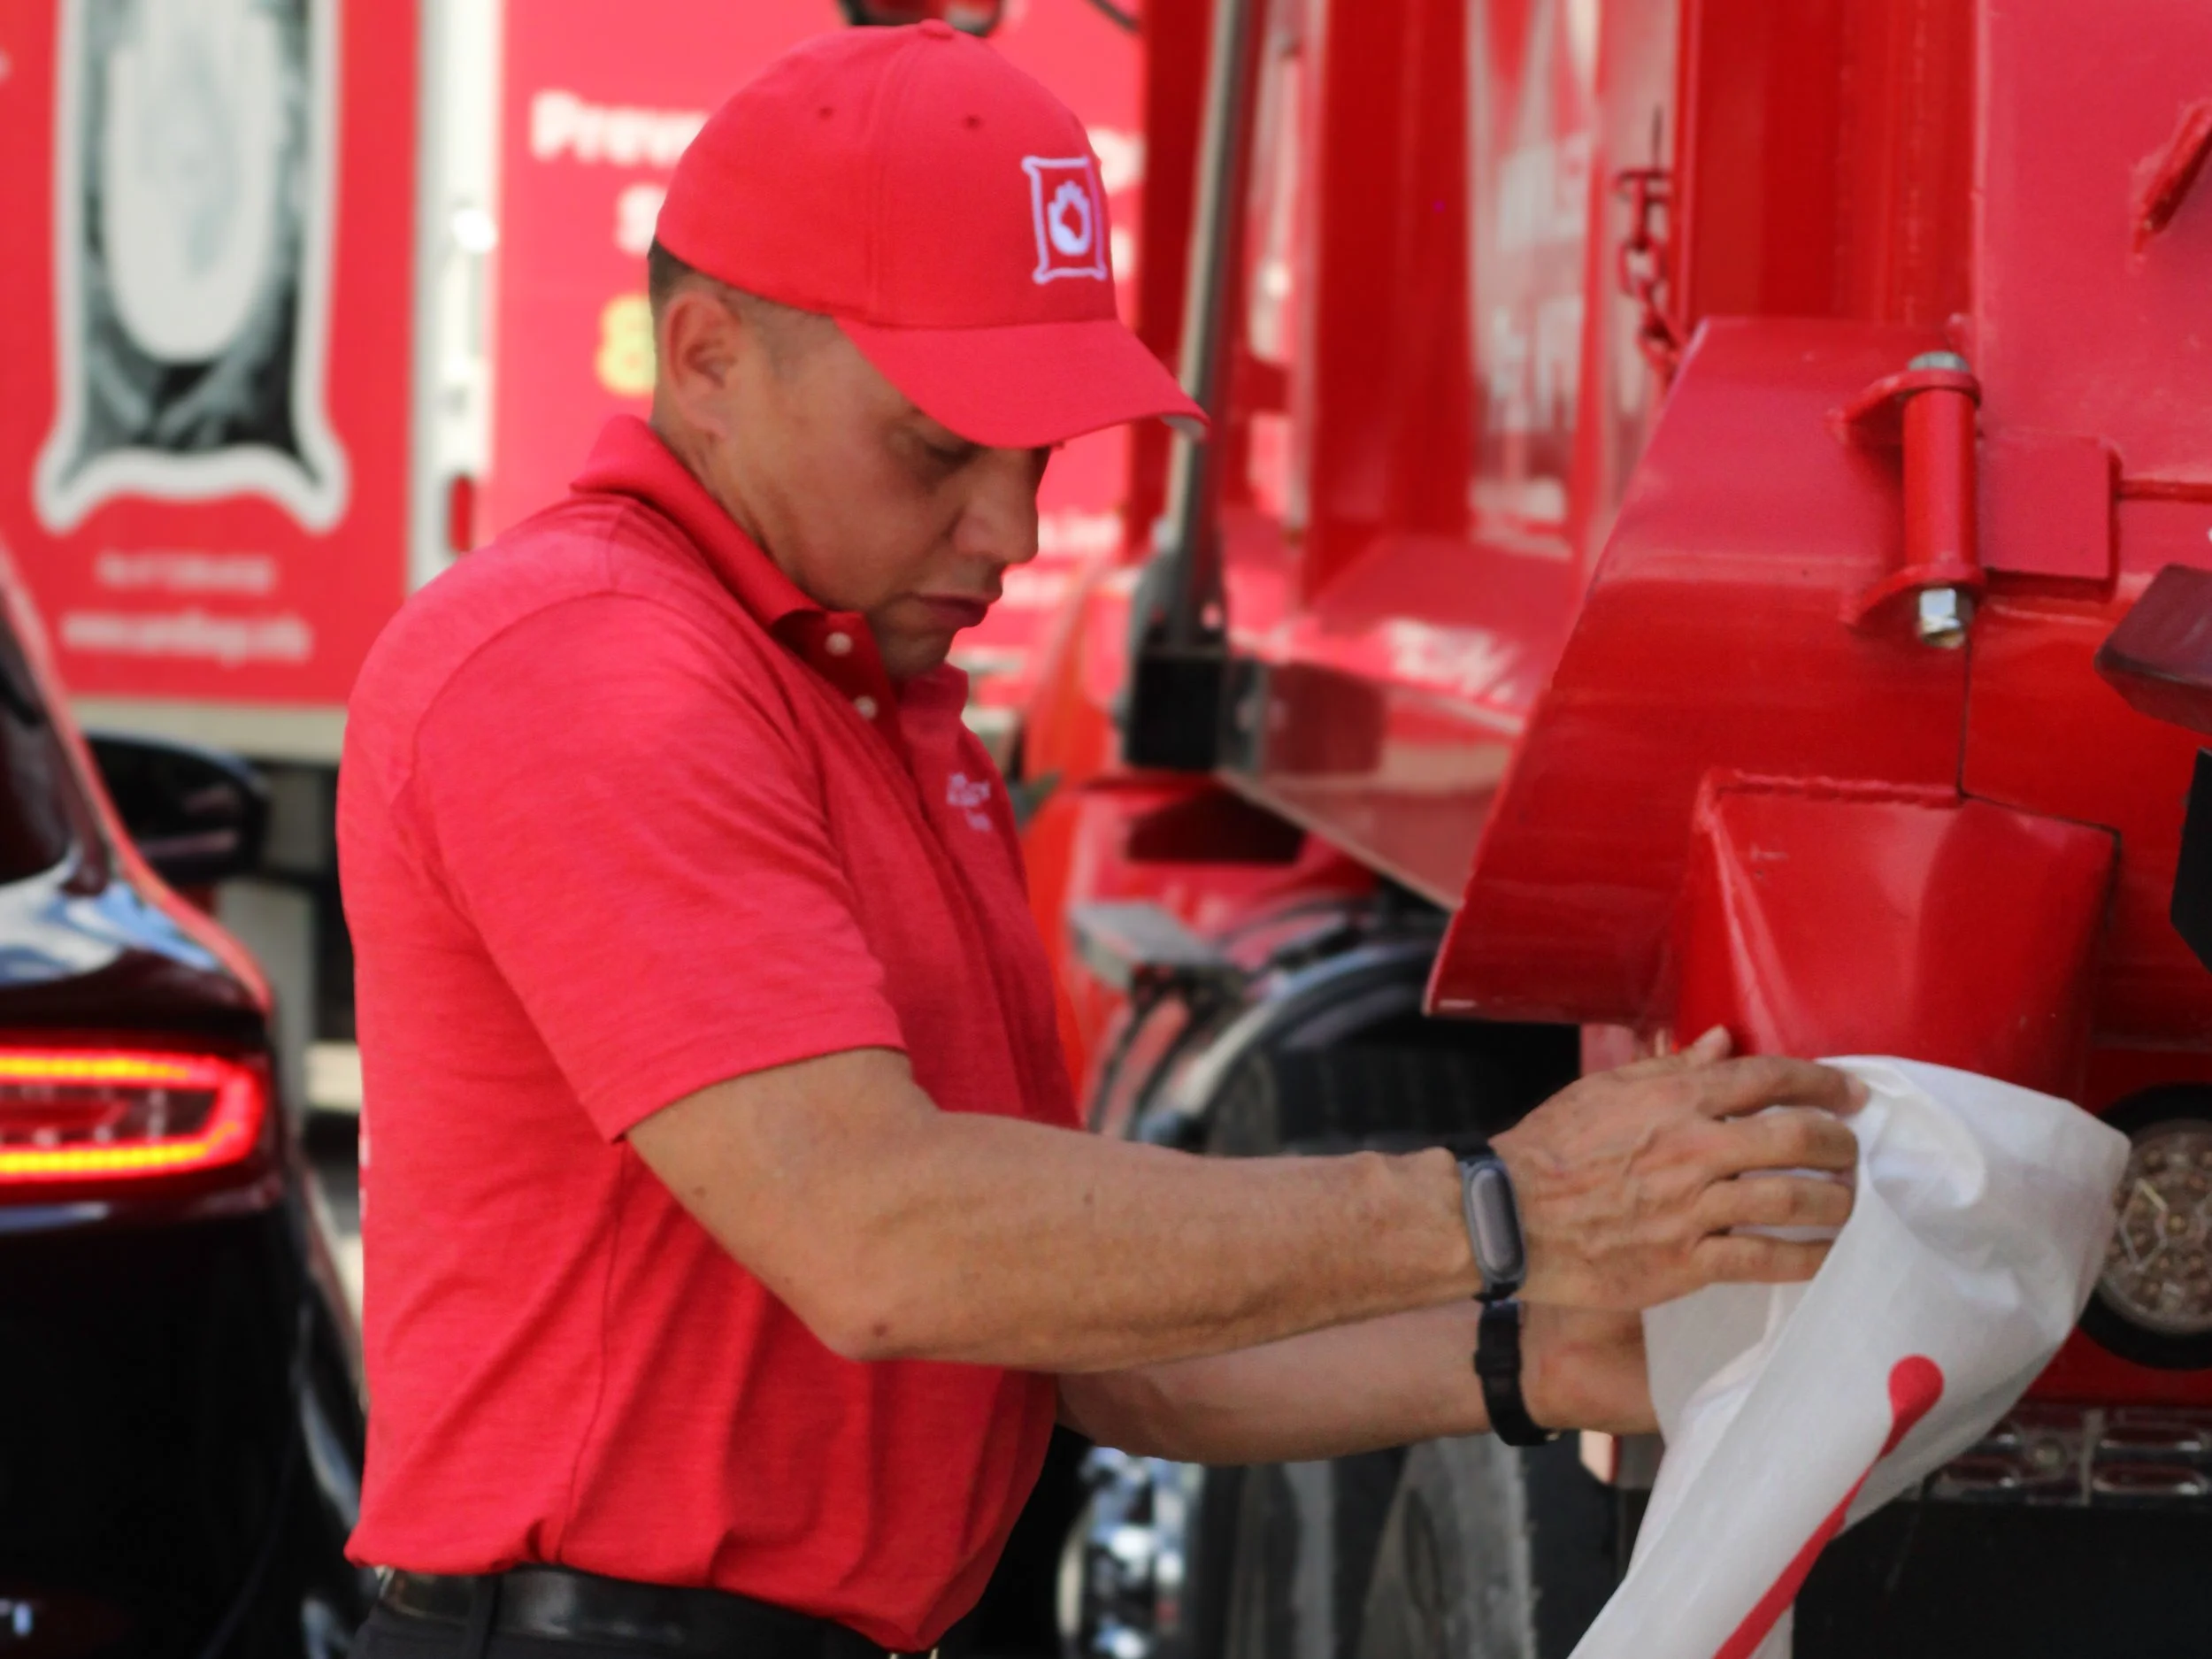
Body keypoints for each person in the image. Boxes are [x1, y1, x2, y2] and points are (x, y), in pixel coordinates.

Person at [336, 22, 1863, 1659]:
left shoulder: (862, 705)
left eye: (1041, 455)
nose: (1017, 532)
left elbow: (1070, 1343)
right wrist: (1508, 1203)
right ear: (704, 360)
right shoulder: (585, 663)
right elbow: (884, 1243)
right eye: (938, 450)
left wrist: (1534, 1350)